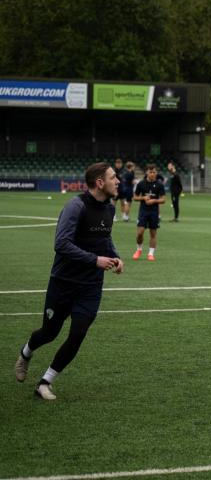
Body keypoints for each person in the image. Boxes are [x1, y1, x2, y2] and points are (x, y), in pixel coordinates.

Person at [13, 162, 124, 400]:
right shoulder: (76, 206)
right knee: (49, 333)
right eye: (114, 177)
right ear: (100, 182)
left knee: (78, 333)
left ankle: (45, 382)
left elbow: (105, 237)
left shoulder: (110, 208)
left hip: (91, 286)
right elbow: (61, 244)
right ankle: (25, 354)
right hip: (63, 282)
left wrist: (115, 256)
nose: (118, 181)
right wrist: (95, 260)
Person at [133, 164, 166, 261]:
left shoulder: (159, 184)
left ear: (156, 173)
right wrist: (143, 198)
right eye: (150, 172)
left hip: (154, 212)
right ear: (147, 172)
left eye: (154, 172)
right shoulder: (141, 184)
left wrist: (154, 201)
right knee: (140, 233)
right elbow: (134, 197)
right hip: (143, 211)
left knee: (153, 233)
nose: (152, 174)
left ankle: (151, 254)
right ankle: (139, 249)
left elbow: (163, 200)